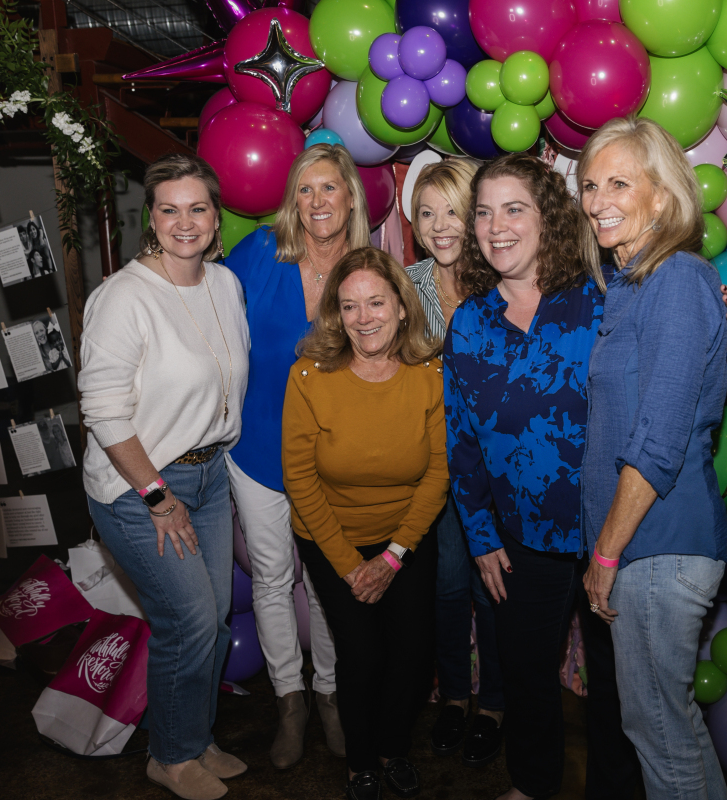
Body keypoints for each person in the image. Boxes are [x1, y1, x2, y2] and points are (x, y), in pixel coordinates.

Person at [444, 153, 727, 800]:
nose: (497, 226)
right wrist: (479, 534)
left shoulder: (605, 293)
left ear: (549, 219)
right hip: (522, 538)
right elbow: (462, 436)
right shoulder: (469, 323)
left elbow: (698, 368)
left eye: (514, 209)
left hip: (613, 531)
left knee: (622, 693)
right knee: (527, 673)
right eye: (484, 212)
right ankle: (532, 784)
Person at [78, 154, 250, 800]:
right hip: (139, 488)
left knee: (217, 622)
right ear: (152, 217)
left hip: (207, 478)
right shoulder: (124, 297)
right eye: (169, 209)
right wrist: (157, 497)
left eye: (198, 208)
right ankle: (170, 757)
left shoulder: (223, 286)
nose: (185, 222)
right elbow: (101, 410)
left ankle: (196, 738)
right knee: (189, 621)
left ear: (215, 216)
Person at [579, 116, 727, 800]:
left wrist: (606, 553)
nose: (597, 198)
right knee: (673, 734)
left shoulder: (674, 278)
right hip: (649, 550)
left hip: (658, 546)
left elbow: (661, 437)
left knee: (660, 739)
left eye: (618, 181)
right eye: (589, 184)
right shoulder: (635, 285)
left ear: (663, 197)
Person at [222, 143, 371, 769]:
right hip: (256, 448)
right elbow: (202, 309)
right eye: (304, 190)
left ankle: (331, 696)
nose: (316, 202)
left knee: (330, 574)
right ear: (292, 199)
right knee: (273, 575)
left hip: (332, 453)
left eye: (329, 188)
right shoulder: (258, 253)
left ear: (349, 196)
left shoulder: (367, 267)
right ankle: (290, 701)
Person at [282, 247, 448, 800]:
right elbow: (300, 480)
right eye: (349, 306)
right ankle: (360, 763)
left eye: (376, 302)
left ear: (402, 307)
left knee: (413, 652)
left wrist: (395, 555)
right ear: (335, 313)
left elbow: (438, 475)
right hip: (332, 538)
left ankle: (392, 748)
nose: (364, 317)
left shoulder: (430, 374)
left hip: (406, 535)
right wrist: (354, 567)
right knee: (362, 655)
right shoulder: (309, 376)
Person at [405, 158, 506, 767]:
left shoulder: (503, 281)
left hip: (495, 465)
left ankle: (493, 704)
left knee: (490, 584)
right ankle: (453, 697)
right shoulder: (406, 285)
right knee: (445, 588)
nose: (441, 225)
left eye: (453, 210)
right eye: (427, 212)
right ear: (414, 223)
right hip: (432, 465)